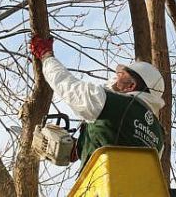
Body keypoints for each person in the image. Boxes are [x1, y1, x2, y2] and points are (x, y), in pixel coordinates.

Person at [29, 35, 165, 171]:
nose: (116, 78)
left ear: (131, 86)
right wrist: (80, 148)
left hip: (99, 187)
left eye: (122, 75)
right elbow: (120, 146)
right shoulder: (159, 137)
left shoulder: (109, 103)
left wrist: (46, 55)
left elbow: (65, 84)